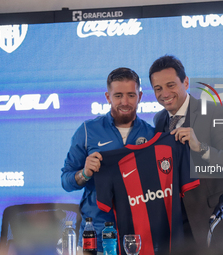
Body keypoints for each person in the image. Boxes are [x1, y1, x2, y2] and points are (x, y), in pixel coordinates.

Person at [149, 55, 223, 254]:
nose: (164, 93)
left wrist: (200, 147)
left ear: (185, 82)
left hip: (211, 222)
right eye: (158, 88)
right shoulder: (159, 119)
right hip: (174, 227)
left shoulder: (215, 112)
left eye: (170, 85)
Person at [61, 67, 155, 254]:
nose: (125, 102)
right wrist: (84, 173)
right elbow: (66, 181)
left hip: (137, 236)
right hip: (94, 235)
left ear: (140, 96)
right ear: (107, 96)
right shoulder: (88, 131)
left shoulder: (152, 134)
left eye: (131, 95)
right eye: (118, 95)